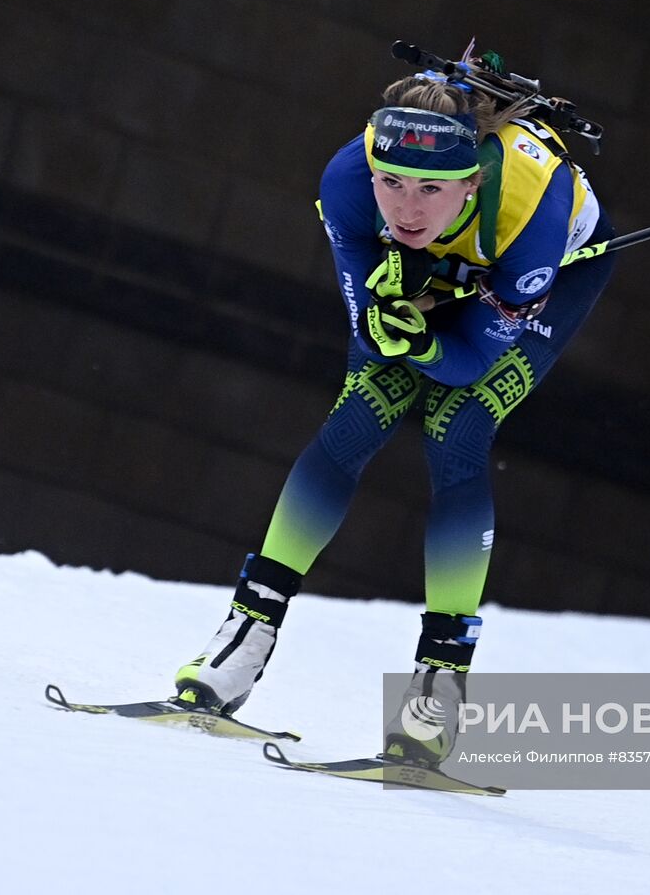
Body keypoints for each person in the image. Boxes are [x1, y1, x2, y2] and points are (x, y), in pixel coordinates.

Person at [172, 49, 618, 766]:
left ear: (469, 180)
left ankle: (440, 686)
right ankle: (243, 638)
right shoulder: (348, 182)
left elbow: (472, 358)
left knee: (458, 429)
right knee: (360, 413)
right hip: (451, 261)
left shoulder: (530, 209)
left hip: (547, 272)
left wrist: (426, 340)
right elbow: (366, 316)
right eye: (393, 183)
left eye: (430, 191)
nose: (407, 208)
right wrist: (391, 314)